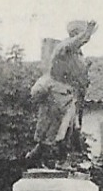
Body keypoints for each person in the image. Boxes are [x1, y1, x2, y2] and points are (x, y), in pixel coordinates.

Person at [29, 20, 97, 160]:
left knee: (66, 128)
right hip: (57, 92)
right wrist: (87, 33)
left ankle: (40, 156)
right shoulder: (64, 47)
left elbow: (78, 76)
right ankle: (61, 159)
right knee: (64, 128)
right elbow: (76, 43)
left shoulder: (77, 56)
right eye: (80, 35)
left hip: (67, 94)